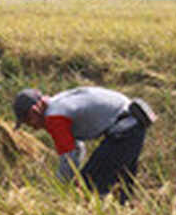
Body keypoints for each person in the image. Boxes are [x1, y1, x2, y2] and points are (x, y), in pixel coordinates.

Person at [12, 86, 154, 202]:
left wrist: (59, 191)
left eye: (28, 121)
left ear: (34, 111)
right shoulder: (58, 104)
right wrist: (74, 178)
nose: (33, 127)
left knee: (88, 189)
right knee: (120, 192)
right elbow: (78, 149)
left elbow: (69, 157)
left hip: (124, 131)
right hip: (132, 125)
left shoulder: (54, 117)